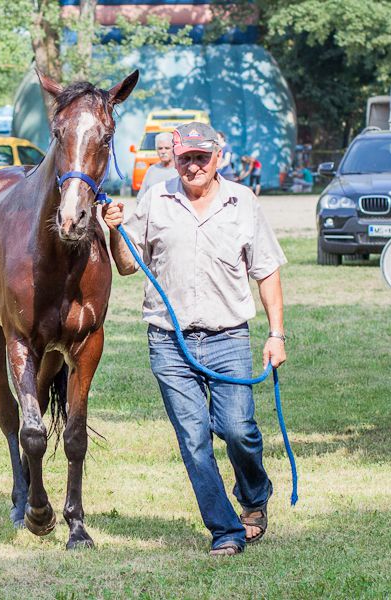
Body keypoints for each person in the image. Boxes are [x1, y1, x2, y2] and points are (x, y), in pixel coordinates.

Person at [103, 122, 287, 557]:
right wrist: (115, 228)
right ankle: (225, 530)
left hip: (228, 338)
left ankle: (254, 496)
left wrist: (276, 333)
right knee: (194, 439)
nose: (193, 165)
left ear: (217, 157)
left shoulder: (242, 202)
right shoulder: (157, 199)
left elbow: (267, 270)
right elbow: (128, 266)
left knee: (237, 430)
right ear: (174, 158)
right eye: (185, 157)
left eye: (201, 157)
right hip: (170, 342)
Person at [138, 132, 177, 198]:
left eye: (167, 148)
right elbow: (141, 197)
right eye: (160, 148)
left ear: (174, 149)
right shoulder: (151, 170)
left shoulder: (180, 170)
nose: (163, 152)